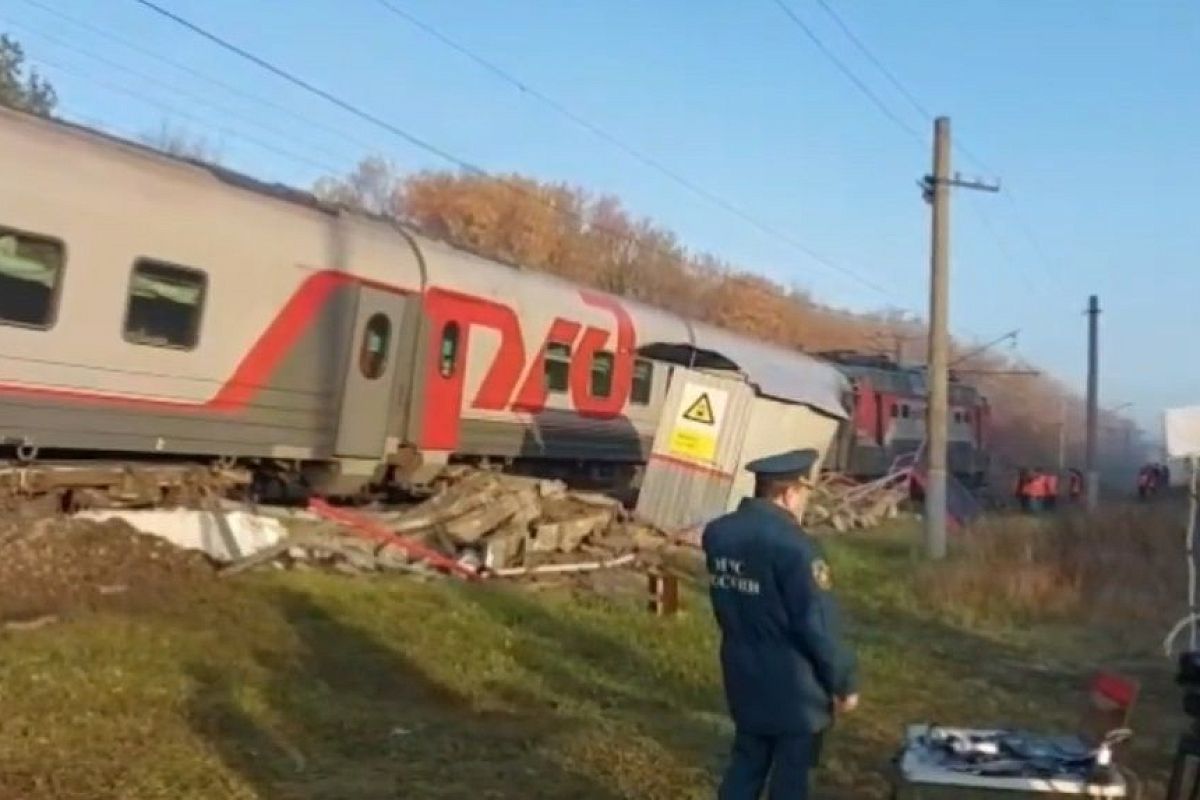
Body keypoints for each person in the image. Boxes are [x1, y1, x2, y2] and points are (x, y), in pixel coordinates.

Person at [702, 448, 859, 800]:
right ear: (790, 492)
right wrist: (843, 681)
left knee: (746, 764)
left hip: (741, 670)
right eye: (804, 493)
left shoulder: (718, 535)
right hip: (794, 684)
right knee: (792, 778)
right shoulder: (796, 547)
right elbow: (816, 623)